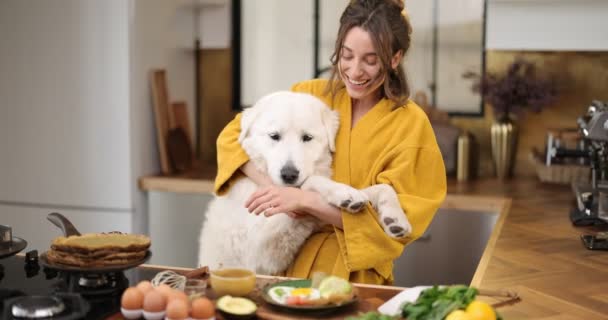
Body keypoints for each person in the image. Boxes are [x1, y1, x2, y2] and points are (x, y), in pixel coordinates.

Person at [213, 0, 446, 285]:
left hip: (355, 278)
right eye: (346, 55)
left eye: (370, 60)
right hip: (284, 267)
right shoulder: (310, 96)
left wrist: (305, 201)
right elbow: (231, 138)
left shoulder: (411, 125)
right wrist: (276, 188)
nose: (355, 71)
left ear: (395, 58)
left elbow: (395, 225)